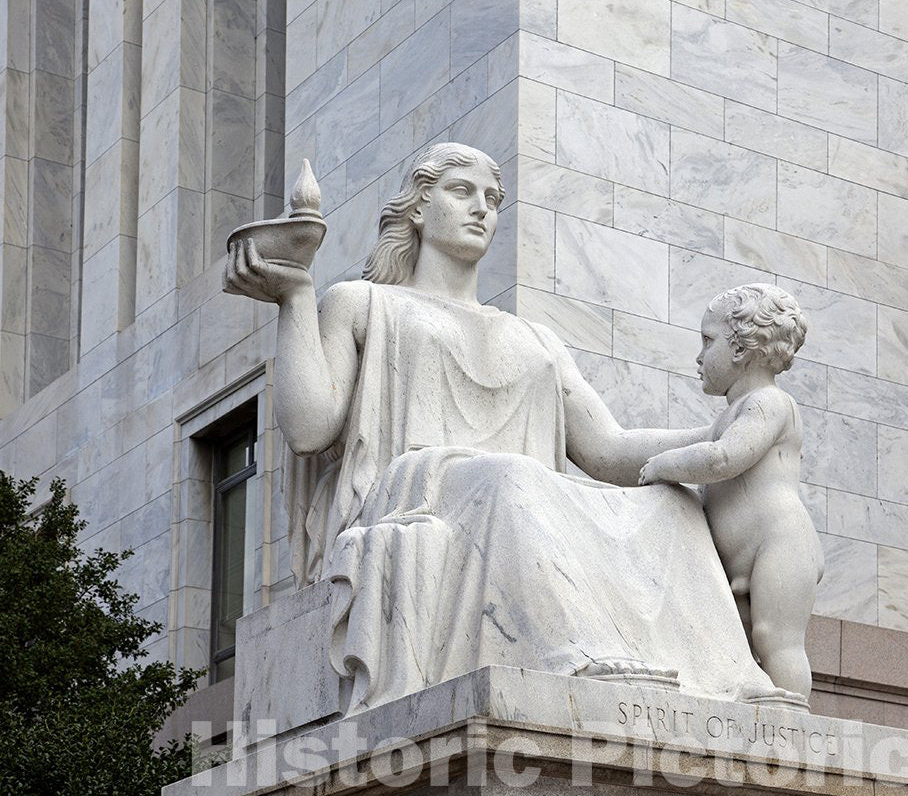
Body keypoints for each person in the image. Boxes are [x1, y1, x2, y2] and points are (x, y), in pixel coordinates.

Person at [223, 142, 778, 712]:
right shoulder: (362, 303)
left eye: (492, 198)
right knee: (513, 477)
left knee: (671, 502)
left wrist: (729, 431)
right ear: (417, 207)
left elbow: (611, 450)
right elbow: (310, 429)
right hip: (416, 488)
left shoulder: (535, 339)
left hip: (515, 495)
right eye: (461, 191)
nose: (482, 209)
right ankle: (571, 652)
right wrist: (295, 296)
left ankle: (729, 677)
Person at [640, 284, 823, 705]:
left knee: (776, 639)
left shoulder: (769, 404)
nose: (700, 357)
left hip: (780, 544)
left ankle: (792, 716)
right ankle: (756, 707)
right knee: (741, 641)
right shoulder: (733, 414)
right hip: (741, 554)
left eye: (708, 341)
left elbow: (724, 459)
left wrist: (666, 465)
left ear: (742, 348)